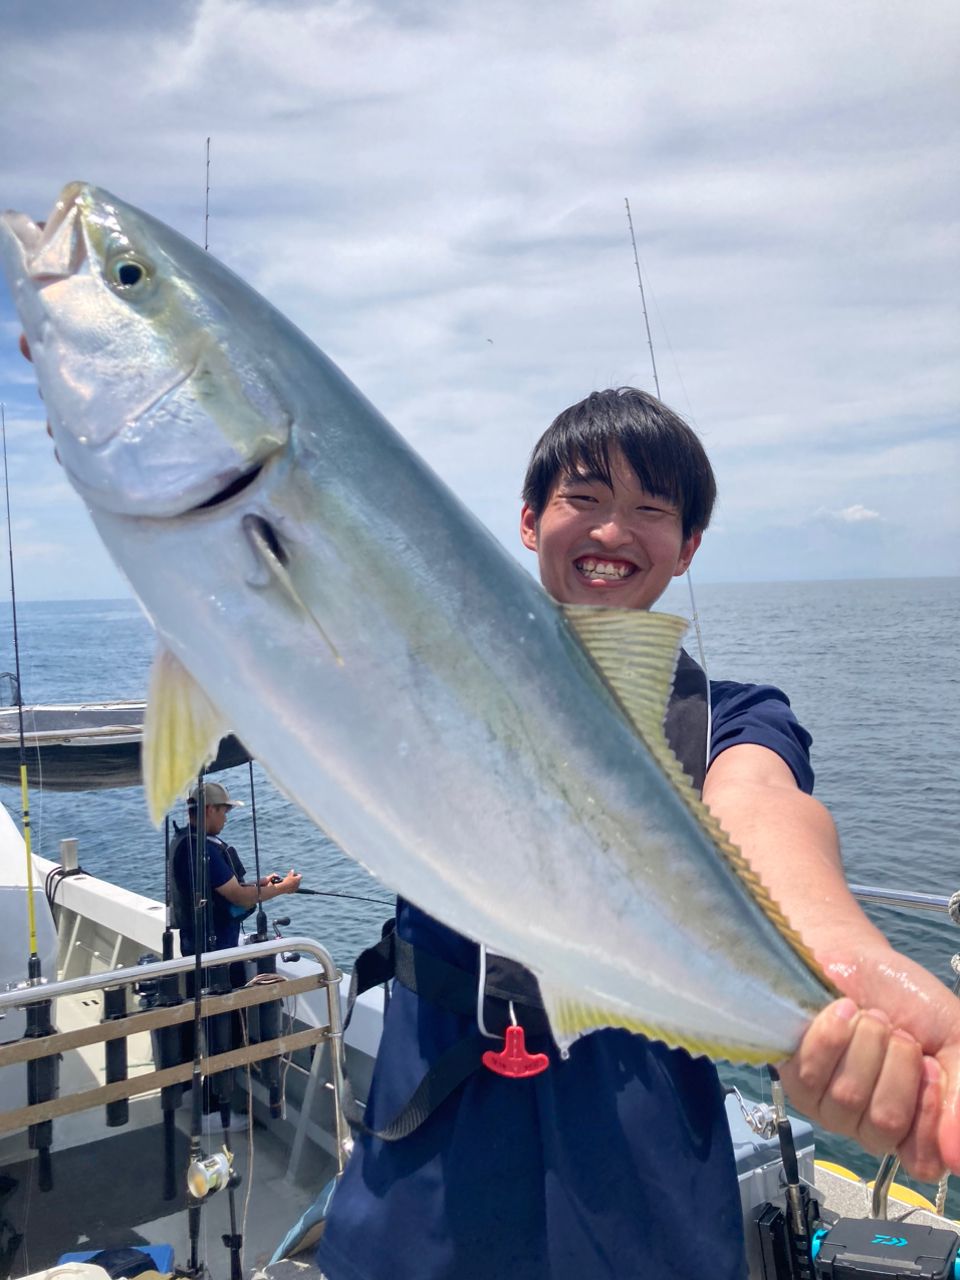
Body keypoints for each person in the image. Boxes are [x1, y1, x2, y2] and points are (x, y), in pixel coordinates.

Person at [316, 388, 960, 1280]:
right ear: (530, 519)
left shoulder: (729, 719)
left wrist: (839, 963)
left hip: (636, 1153)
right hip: (430, 1140)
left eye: (651, 510)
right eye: (584, 498)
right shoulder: (424, 678)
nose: (614, 532)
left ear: (688, 547)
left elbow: (766, 816)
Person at [170, 779, 301, 958]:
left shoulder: (185, 842)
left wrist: (261, 883)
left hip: (198, 942)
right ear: (210, 810)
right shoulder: (202, 850)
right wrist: (284, 887)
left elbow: (219, 889)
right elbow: (238, 896)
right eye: (225, 811)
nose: (226, 817)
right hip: (214, 949)